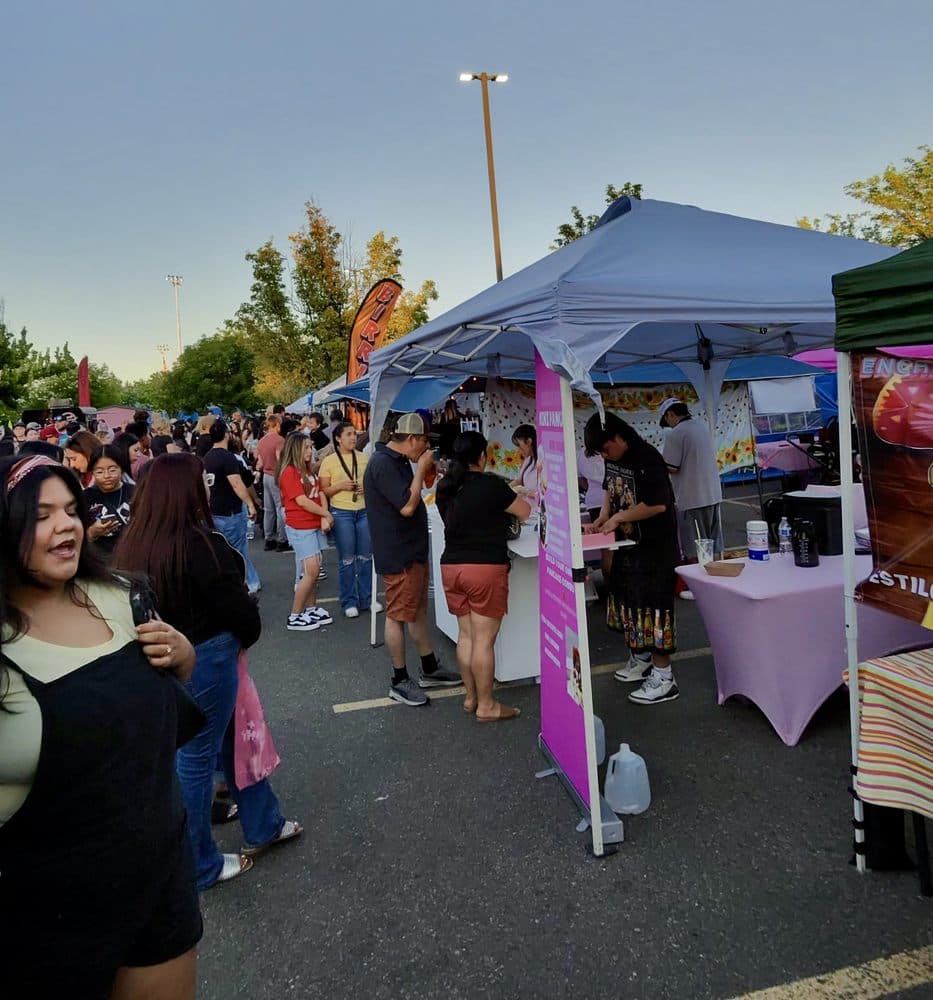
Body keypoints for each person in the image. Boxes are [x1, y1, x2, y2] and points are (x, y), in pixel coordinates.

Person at [0, 453, 201, 997]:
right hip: (37, 920)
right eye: (40, 515)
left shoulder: (121, 595)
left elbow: (156, 718)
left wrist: (183, 656)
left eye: (70, 508)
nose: (65, 524)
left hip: (156, 886)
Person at [115, 453, 301, 889]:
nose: (207, 485)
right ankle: (199, 862)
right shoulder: (199, 544)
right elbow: (237, 609)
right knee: (197, 758)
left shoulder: (135, 541)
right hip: (209, 655)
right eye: (202, 480)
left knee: (231, 739)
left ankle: (263, 823)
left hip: (167, 656)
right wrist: (245, 632)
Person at [363, 412, 461, 706]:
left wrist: (420, 471)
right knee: (397, 615)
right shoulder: (383, 463)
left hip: (411, 550)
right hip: (399, 554)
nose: (425, 450)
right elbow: (407, 506)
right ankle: (399, 679)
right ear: (413, 439)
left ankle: (429, 667)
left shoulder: (394, 460)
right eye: (424, 443)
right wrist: (420, 471)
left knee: (417, 610)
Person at [584, 412, 682, 705]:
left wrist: (619, 517)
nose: (605, 455)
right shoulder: (615, 457)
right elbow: (608, 487)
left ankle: (665, 677)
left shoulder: (647, 458)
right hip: (627, 545)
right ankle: (641, 658)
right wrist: (603, 517)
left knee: (653, 606)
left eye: (606, 448)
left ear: (619, 436)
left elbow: (658, 504)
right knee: (629, 600)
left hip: (654, 547)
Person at [436, 431, 530, 720]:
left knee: (466, 636)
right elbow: (525, 512)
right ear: (482, 457)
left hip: (452, 567)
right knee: (483, 641)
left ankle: (470, 697)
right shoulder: (491, 485)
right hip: (485, 568)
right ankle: (487, 705)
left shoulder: (445, 487)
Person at [659, 397, 723, 600]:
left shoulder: (677, 433)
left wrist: (655, 462)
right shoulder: (700, 427)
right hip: (713, 493)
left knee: (695, 544)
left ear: (670, 414)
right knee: (713, 541)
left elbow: (671, 466)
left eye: (666, 419)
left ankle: (697, 587)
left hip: (692, 496)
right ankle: (715, 581)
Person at [319, 421, 381, 618]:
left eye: (354, 434)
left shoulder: (364, 458)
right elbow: (324, 491)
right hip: (341, 512)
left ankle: (367, 598)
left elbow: (373, 483)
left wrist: (366, 488)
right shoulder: (329, 461)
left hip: (363, 510)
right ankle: (348, 600)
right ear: (338, 438)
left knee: (365, 556)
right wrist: (340, 486)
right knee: (347, 559)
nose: (353, 437)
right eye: (348, 434)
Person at [278, 431, 334, 631]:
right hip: (301, 527)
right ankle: (295, 615)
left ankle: (311, 608)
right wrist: (325, 515)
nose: (311, 451)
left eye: (311, 447)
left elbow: (319, 492)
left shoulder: (307, 470)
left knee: (313, 570)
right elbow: (302, 501)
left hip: (312, 524)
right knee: (310, 571)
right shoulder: (289, 472)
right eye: (307, 448)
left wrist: (323, 514)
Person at [203, 420, 261, 595]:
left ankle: (240, 582)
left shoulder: (207, 457)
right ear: (226, 435)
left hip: (214, 509)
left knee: (223, 549)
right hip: (231, 510)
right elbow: (237, 484)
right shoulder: (228, 457)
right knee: (239, 549)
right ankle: (249, 581)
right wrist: (251, 504)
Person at [84, 444, 136, 560]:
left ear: (121, 468)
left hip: (133, 558)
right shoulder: (85, 497)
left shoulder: (136, 492)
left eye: (112, 470)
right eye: (99, 472)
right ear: (92, 472)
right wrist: (93, 532)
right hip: (99, 561)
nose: (107, 476)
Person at [256, 414, 288, 552]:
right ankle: (282, 539)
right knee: (281, 508)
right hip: (276, 475)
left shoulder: (262, 441)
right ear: (276, 425)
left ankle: (269, 538)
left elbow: (259, 463)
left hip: (266, 476)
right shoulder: (280, 440)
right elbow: (280, 459)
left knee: (268, 509)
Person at [510, 424, 539, 498]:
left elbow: (543, 496)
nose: (518, 450)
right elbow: (520, 480)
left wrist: (526, 492)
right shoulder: (528, 460)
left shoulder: (543, 463)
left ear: (529, 441)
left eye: (519, 446)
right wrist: (507, 488)